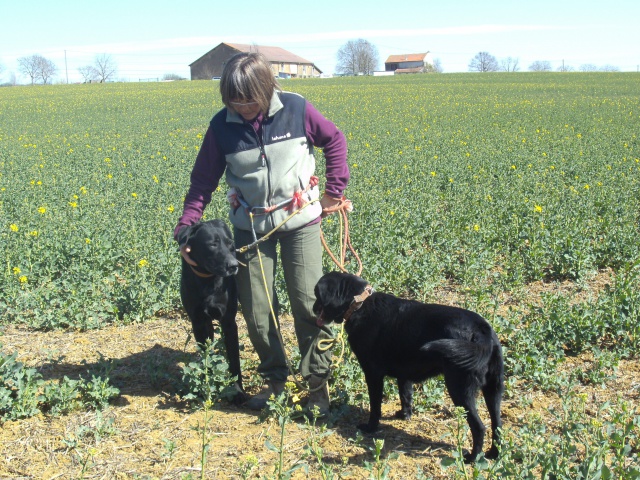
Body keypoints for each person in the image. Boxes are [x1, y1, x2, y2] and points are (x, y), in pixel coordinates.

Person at [174, 52, 349, 415]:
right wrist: (186, 226)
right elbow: (203, 182)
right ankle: (276, 383)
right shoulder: (222, 127)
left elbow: (334, 140)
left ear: (265, 88)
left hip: (299, 222)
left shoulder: (297, 110)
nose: (240, 107)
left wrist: (335, 188)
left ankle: (317, 385)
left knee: (309, 304)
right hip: (250, 228)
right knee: (256, 311)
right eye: (232, 101)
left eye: (247, 100)